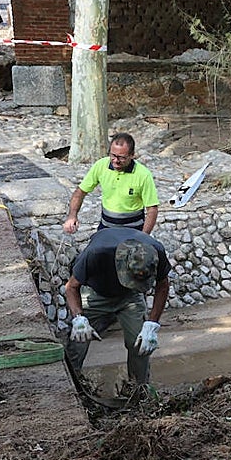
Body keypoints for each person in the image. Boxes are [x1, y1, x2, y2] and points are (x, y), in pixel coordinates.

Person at [64, 227, 170, 386]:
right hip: (95, 294)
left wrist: (152, 324)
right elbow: (71, 287)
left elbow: (163, 286)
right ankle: (71, 385)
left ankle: (138, 390)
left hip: (130, 298)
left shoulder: (156, 251)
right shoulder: (96, 253)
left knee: (140, 343)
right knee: (78, 340)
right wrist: (79, 319)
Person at [63, 133, 160, 235]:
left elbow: (152, 209)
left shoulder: (143, 175)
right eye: (113, 155)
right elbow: (80, 192)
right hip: (106, 227)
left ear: (132, 155)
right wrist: (72, 216)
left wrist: (143, 236)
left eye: (121, 157)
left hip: (134, 230)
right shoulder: (101, 165)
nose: (116, 161)